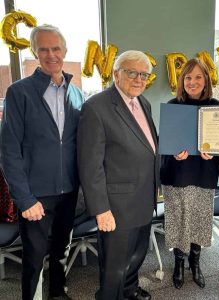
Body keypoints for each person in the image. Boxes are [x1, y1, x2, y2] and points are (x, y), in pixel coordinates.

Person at [0, 24, 84, 300]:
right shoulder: (19, 92)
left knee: (62, 251)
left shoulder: (76, 93)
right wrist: (24, 199)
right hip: (35, 195)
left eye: (56, 48)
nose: (51, 54)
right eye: (44, 49)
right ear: (35, 52)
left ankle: (58, 294)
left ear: (65, 51)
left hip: (69, 190)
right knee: (34, 259)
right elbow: (9, 151)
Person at [77, 50, 158, 300]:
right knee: (114, 266)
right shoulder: (96, 107)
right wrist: (101, 209)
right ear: (116, 73)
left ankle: (129, 289)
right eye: (132, 72)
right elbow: (90, 165)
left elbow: (148, 146)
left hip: (144, 198)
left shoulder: (143, 102)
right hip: (116, 205)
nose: (139, 79)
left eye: (144, 74)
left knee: (136, 255)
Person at [160, 58, 219, 290]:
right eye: (187, 77)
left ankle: (195, 263)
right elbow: (165, 144)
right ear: (181, 81)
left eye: (198, 77)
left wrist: (214, 152)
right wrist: (174, 153)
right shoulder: (172, 105)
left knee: (199, 220)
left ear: (206, 80)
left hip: (203, 174)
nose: (192, 82)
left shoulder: (216, 106)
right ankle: (177, 264)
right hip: (176, 175)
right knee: (178, 219)